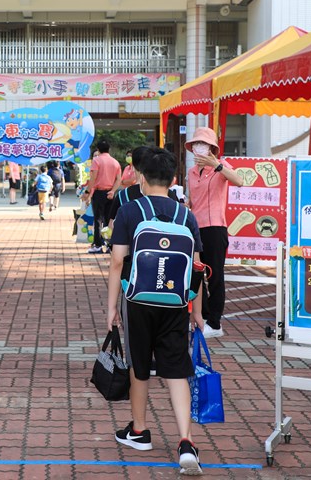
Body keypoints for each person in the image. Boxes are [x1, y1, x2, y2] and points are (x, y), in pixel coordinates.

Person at [106, 146, 204, 475]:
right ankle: (186, 441)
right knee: (176, 368)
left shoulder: (130, 211)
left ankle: (139, 431)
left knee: (139, 366)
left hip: (137, 301)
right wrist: (196, 311)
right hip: (176, 303)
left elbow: (118, 261)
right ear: (174, 179)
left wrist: (111, 309)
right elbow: (197, 268)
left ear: (142, 178)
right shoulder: (185, 215)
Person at [185, 126, 244, 339]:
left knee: (215, 275)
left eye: (203, 144)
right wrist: (184, 204)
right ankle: (204, 316)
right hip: (195, 229)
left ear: (212, 148)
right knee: (197, 274)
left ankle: (215, 322)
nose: (199, 148)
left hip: (215, 228)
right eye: (196, 144)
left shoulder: (221, 167)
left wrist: (216, 165)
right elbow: (192, 200)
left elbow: (239, 181)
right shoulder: (191, 173)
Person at [84, 140, 121, 254]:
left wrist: (87, 191)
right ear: (109, 149)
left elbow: (93, 178)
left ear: (98, 150)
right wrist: (113, 191)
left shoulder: (97, 160)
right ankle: (110, 245)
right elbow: (119, 179)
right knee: (109, 220)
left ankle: (98, 245)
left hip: (99, 192)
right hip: (110, 193)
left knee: (98, 219)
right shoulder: (115, 162)